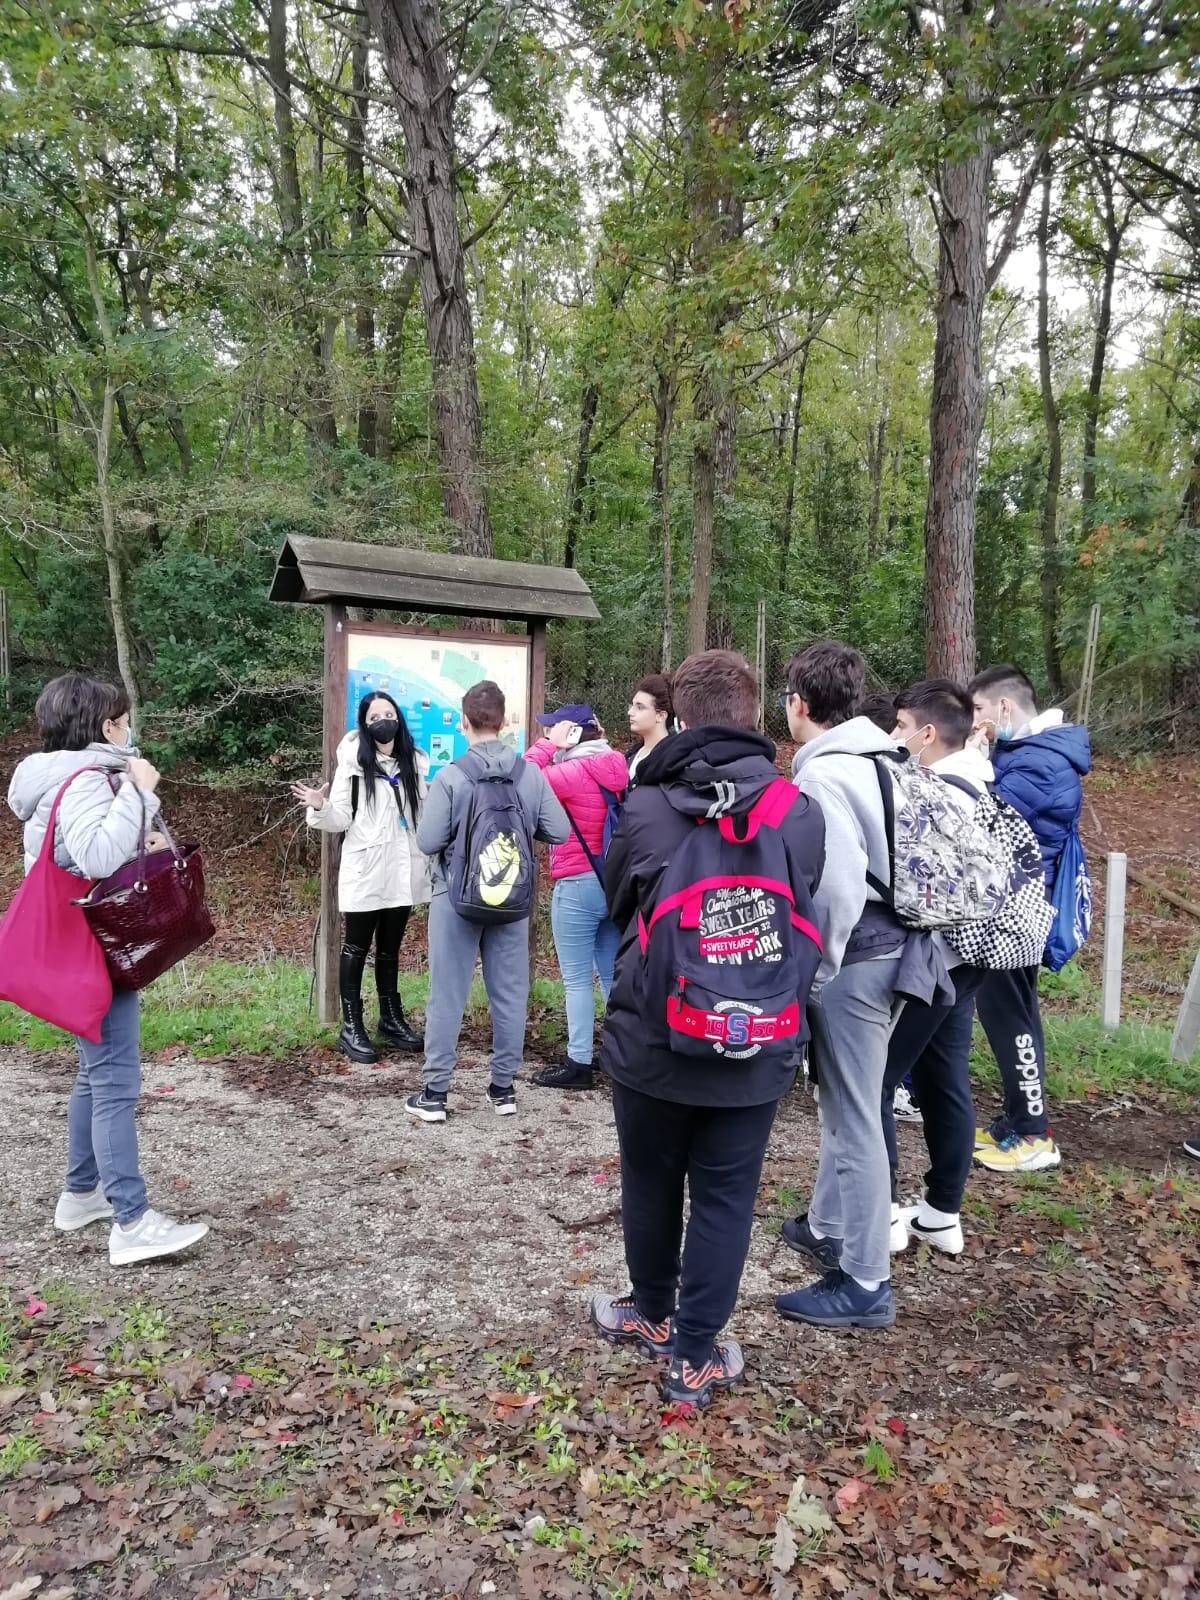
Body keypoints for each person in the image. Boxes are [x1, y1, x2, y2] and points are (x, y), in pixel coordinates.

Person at [591, 649, 825, 1406]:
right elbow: (808, 905)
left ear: (679, 717)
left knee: (650, 1178)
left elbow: (615, 897)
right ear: (756, 714)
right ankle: (694, 1360)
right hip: (755, 1039)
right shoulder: (797, 811)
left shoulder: (648, 804)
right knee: (726, 1197)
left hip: (653, 1038)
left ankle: (652, 1313)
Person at [7, 674, 210, 1267]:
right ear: (106, 726)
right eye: (122, 717)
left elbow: (82, 854)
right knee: (116, 1080)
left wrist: (133, 831)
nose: (127, 727)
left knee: (94, 1076)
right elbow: (96, 855)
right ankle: (132, 1220)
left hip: (72, 941)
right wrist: (140, 791)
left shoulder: (49, 778)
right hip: (95, 946)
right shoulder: (91, 779)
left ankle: (81, 1194)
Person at [775, 641, 903, 1331]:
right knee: (849, 1104)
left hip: (857, 961)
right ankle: (825, 1225)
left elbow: (835, 889)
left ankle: (864, 1280)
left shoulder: (824, 778)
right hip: (906, 953)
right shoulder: (887, 757)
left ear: (799, 703)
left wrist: (816, 975)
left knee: (856, 1118)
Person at [409, 681, 568, 1121]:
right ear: (504, 722)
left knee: (447, 993)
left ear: (463, 722)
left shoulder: (451, 775)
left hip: (455, 898)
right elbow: (559, 830)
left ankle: (435, 1094)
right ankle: (502, 1090)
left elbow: (427, 841)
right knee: (511, 993)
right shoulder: (528, 774)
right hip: (512, 898)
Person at [881, 679, 994, 1255]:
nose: (894, 736)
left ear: (927, 733)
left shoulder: (930, 788)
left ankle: (882, 1215)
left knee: (877, 1078)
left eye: (900, 726)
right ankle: (941, 1212)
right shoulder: (985, 783)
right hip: (975, 952)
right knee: (942, 1078)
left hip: (935, 955)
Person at [968, 665, 1090, 1173]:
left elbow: (990, 822)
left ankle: (1035, 1135)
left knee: (1011, 1018)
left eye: (977, 712)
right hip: (1012, 907)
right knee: (1012, 1013)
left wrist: (972, 767)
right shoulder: (1029, 756)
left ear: (1003, 707)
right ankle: (1019, 1117)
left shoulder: (1041, 765)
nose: (975, 724)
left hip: (1016, 914)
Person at [293, 692, 430, 1063]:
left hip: (403, 872)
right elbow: (340, 819)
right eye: (375, 716)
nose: (383, 720)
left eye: (389, 713)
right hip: (367, 872)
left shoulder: (414, 765)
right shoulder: (353, 766)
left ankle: (390, 1017)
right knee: (356, 947)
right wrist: (320, 806)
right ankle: (351, 1026)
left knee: (390, 949)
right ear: (364, 724)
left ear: (399, 719)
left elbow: (422, 818)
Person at [522, 706, 629, 1091]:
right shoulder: (617, 765)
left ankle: (579, 1061)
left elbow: (523, 780)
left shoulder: (571, 770)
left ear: (571, 734)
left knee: (577, 981)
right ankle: (623, 1055)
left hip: (577, 885)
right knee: (612, 975)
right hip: (610, 883)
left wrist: (546, 746)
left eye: (555, 726)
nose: (549, 731)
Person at [626, 674, 673, 784]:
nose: (630, 712)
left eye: (640, 707)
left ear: (660, 716)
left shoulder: (669, 761)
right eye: (632, 706)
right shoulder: (632, 755)